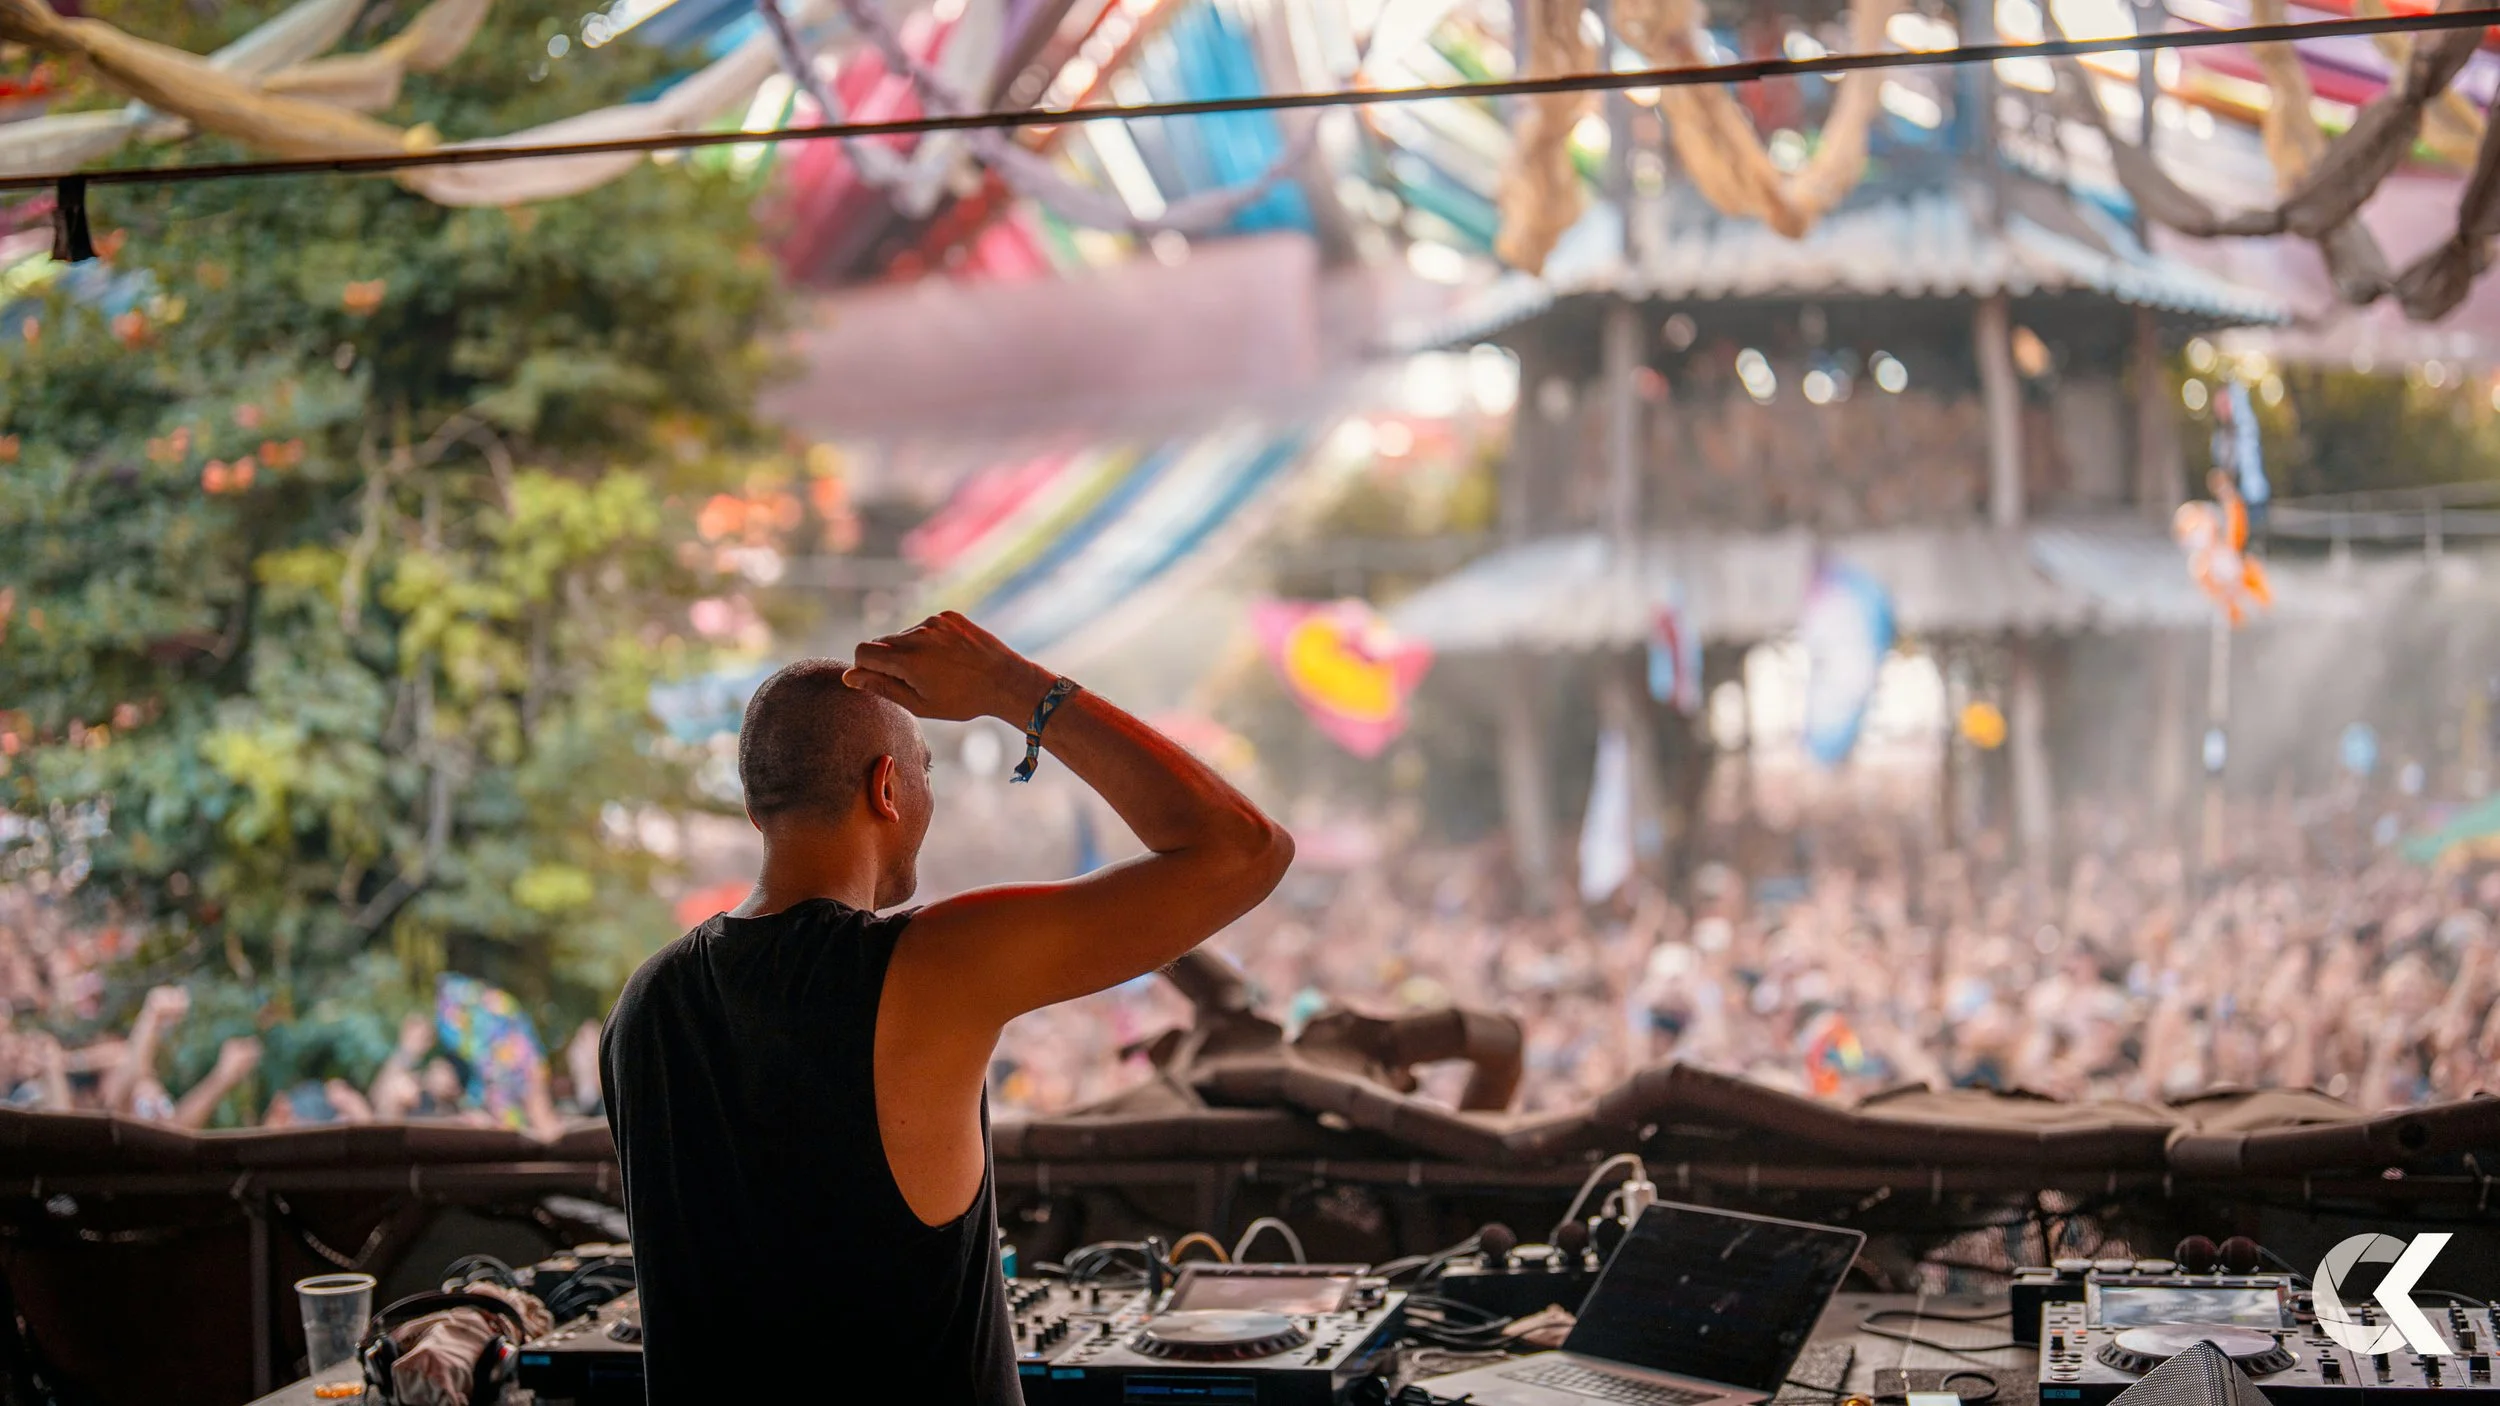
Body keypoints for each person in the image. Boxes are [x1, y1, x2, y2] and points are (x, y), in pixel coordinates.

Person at [600, 612, 1293, 1404]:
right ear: (886, 788)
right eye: (924, 771)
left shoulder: (642, 1004)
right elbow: (1245, 849)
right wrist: (1013, 686)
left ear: (758, 811)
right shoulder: (925, 971)